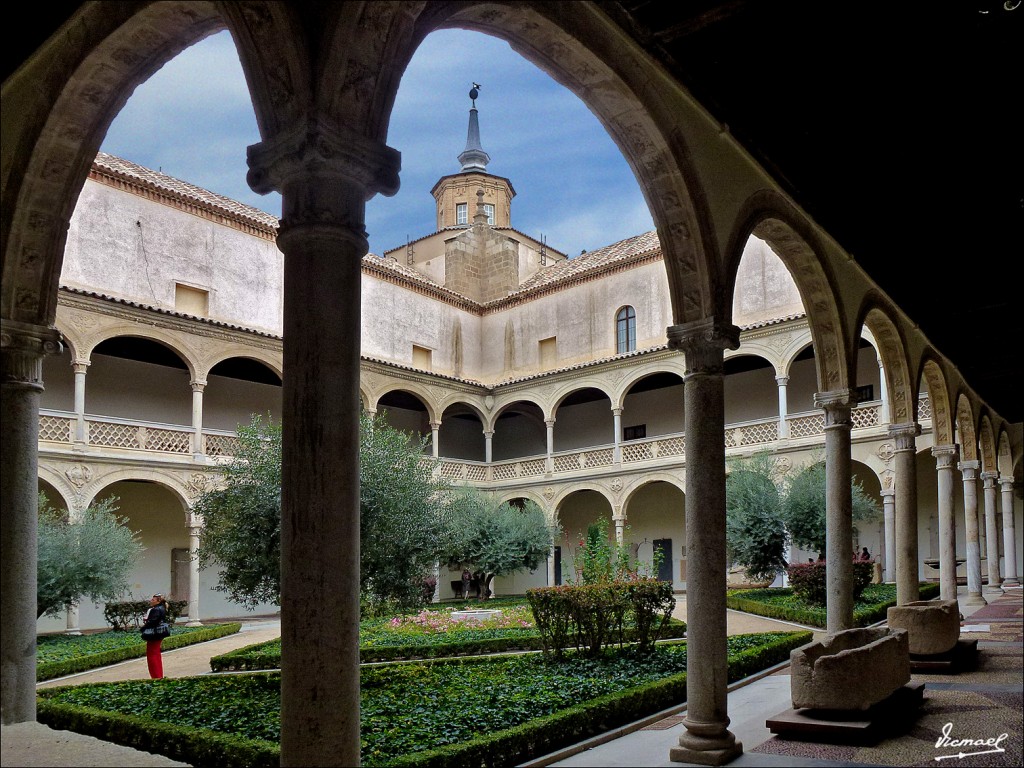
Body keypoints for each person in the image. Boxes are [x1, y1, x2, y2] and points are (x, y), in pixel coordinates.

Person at [142, 593, 168, 679]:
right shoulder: (162, 608)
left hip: (154, 635)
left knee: (152, 655)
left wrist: (143, 628)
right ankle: (158, 675)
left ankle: (155, 676)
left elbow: (153, 622)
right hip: (159, 634)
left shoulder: (155, 610)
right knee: (156, 654)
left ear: (158, 601)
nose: (151, 601)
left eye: (153, 600)